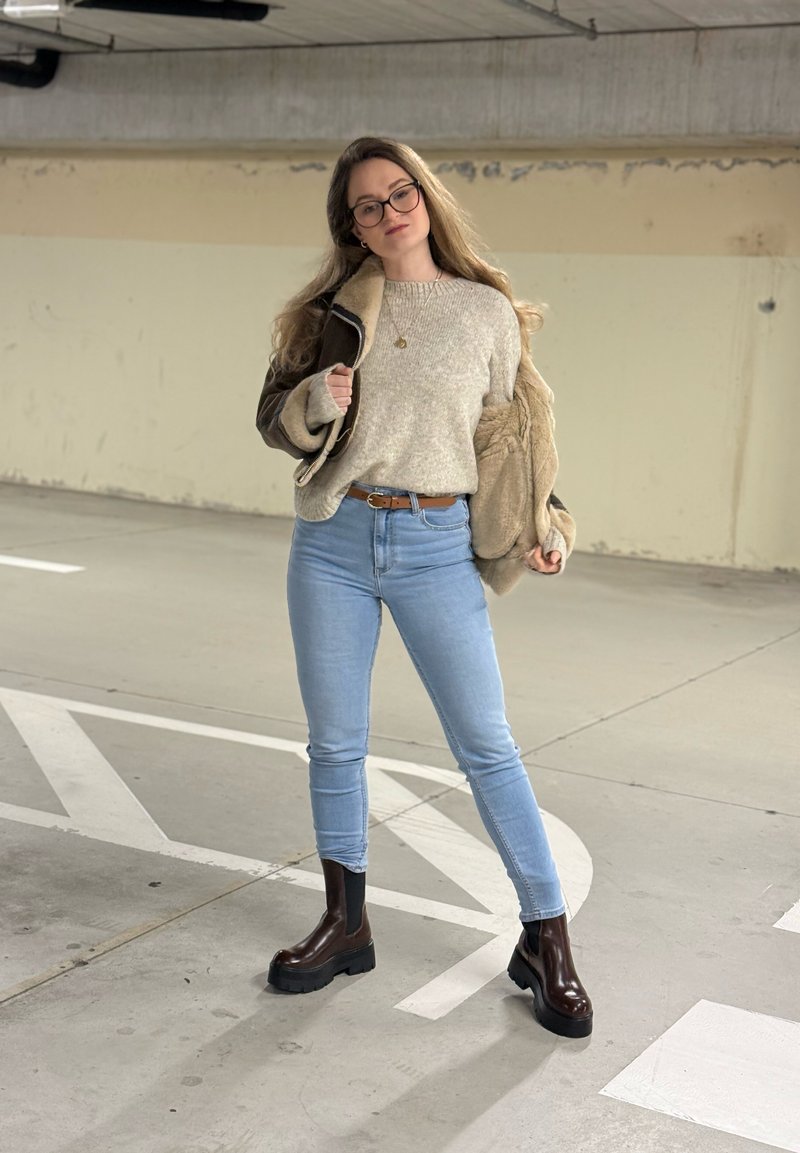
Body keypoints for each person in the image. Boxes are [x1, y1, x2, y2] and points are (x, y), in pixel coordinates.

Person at [256, 136, 592, 1038]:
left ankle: (547, 937)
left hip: (439, 541)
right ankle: (345, 920)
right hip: (333, 536)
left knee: (486, 744)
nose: (389, 211)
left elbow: (511, 439)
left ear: (426, 197)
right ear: (353, 226)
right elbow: (272, 421)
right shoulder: (330, 312)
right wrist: (318, 401)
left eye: (399, 192)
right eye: (368, 204)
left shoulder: (485, 312)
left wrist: (542, 525)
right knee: (335, 743)